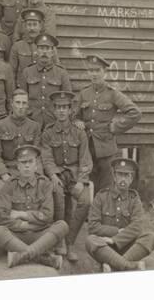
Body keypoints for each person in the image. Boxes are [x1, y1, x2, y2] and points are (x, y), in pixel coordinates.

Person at [73, 54, 142, 194]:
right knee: (87, 189)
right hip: (87, 149)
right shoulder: (84, 93)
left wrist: (116, 127)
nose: (94, 74)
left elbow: (135, 113)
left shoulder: (112, 94)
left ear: (105, 72)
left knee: (106, 189)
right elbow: (74, 116)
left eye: (97, 70)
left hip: (106, 149)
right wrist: (77, 121)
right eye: (91, 71)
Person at [0, 145, 68, 269]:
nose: (27, 166)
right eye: (23, 162)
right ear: (18, 166)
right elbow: (2, 217)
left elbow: (48, 216)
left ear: (36, 165)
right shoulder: (9, 185)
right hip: (16, 236)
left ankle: (21, 255)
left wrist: (21, 214)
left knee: (62, 226)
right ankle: (41, 257)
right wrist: (25, 225)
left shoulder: (45, 184)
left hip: (41, 235)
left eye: (30, 162)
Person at [41, 91, 93, 261]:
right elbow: (47, 157)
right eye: (58, 107)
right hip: (58, 175)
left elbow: (85, 159)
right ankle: (60, 240)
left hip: (75, 175)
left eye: (65, 107)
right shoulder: (48, 132)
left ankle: (70, 241)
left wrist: (82, 180)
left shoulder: (79, 133)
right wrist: (53, 175)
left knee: (85, 201)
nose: (61, 111)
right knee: (58, 195)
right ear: (54, 110)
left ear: (70, 110)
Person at [85, 158, 154, 272]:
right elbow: (92, 226)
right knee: (90, 240)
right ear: (114, 177)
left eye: (127, 175)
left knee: (151, 237)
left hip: (128, 247)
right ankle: (130, 266)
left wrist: (116, 240)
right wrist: (114, 233)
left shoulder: (134, 199)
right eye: (120, 175)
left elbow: (137, 226)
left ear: (131, 179)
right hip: (106, 247)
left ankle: (114, 266)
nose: (123, 179)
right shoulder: (101, 196)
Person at [0, 88, 41, 193]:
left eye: (24, 103)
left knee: (40, 191)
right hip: (8, 170)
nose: (21, 107)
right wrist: (4, 175)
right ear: (11, 104)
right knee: (1, 190)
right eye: (18, 103)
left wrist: (37, 175)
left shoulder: (34, 126)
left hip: (29, 170)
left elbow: (38, 156)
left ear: (27, 105)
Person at [22, 34, 72, 129]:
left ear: (52, 52)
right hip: (32, 120)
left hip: (53, 122)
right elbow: (22, 98)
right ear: (36, 51)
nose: (44, 51)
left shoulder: (61, 73)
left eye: (47, 48)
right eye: (41, 48)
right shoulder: (27, 71)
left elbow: (68, 99)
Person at [9, 8, 45, 86]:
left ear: (40, 26)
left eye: (35, 24)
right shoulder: (17, 46)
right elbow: (12, 72)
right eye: (29, 25)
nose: (32, 28)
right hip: (23, 88)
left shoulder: (48, 46)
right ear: (24, 27)